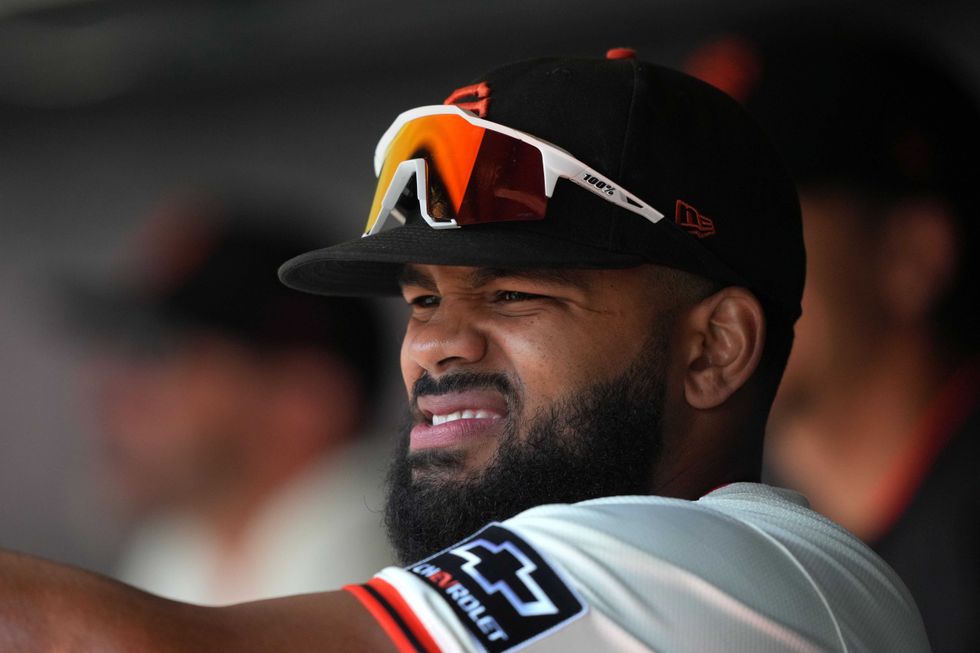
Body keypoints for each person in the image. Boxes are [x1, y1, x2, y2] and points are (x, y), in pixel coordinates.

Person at [0, 50, 931, 651]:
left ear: (715, 349)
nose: (437, 345)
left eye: (516, 292)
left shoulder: (728, 567)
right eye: (422, 298)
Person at [685, 22, 980, 653]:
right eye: (683, 222)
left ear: (911, 256)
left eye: (749, 220)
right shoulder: (720, 543)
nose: (691, 263)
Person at [68, 195, 393, 604]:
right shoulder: (179, 550)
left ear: (304, 401)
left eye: (159, 353)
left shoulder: (369, 544)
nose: (113, 396)